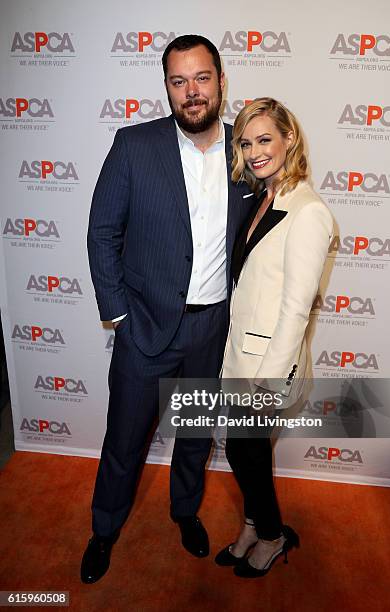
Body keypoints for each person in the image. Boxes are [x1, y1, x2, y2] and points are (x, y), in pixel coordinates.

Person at [81, 35, 253, 584]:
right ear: (167, 89)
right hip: (145, 327)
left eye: (201, 78)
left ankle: (185, 513)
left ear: (221, 81)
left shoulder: (245, 152)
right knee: (124, 439)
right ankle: (103, 530)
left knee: (196, 435)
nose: (191, 92)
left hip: (211, 328)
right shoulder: (134, 145)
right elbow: (102, 231)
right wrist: (121, 315)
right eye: (178, 81)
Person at [215, 98, 333, 578]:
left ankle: (272, 535)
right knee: (243, 451)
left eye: (265, 139)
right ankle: (252, 525)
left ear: (289, 139)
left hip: (266, 365)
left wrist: (268, 382)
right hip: (241, 354)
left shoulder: (308, 211)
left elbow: (296, 309)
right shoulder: (263, 197)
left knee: (246, 451)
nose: (256, 150)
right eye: (246, 142)